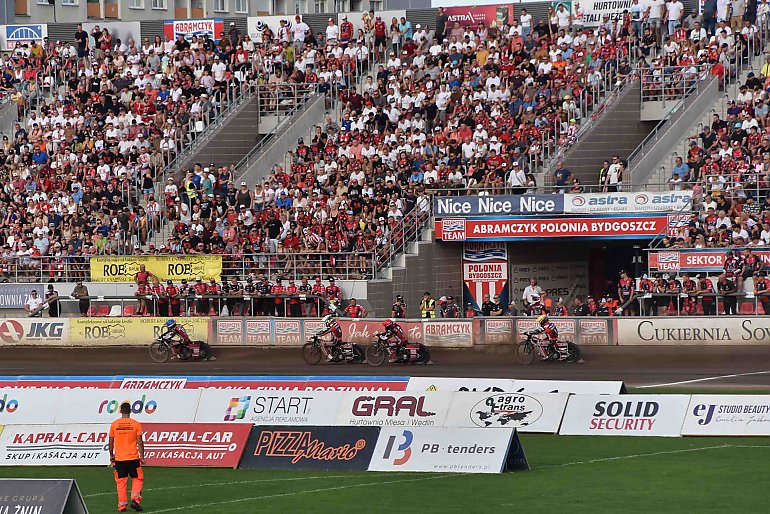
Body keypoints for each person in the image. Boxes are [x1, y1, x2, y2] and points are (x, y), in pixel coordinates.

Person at [108, 401, 145, 512]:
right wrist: (142, 457)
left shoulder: (114, 424)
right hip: (132, 457)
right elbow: (140, 442)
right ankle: (135, 500)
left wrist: (111, 456)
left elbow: (110, 442)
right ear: (130, 411)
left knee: (121, 482)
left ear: (120, 411)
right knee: (137, 478)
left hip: (120, 459)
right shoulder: (136, 424)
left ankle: (122, 505)